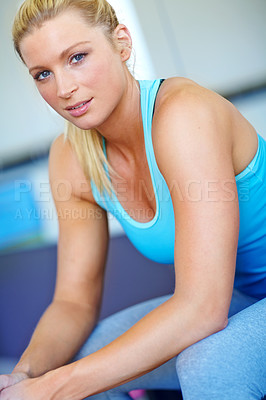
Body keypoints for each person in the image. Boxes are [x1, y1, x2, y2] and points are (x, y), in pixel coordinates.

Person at [0, 0, 265, 398]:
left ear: (121, 43)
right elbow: (73, 302)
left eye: (77, 57)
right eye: (43, 74)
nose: (63, 88)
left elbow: (203, 308)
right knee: (91, 352)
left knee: (210, 364)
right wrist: (25, 376)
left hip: (219, 300)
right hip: (242, 297)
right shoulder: (71, 159)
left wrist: (55, 388)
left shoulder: (182, 113)